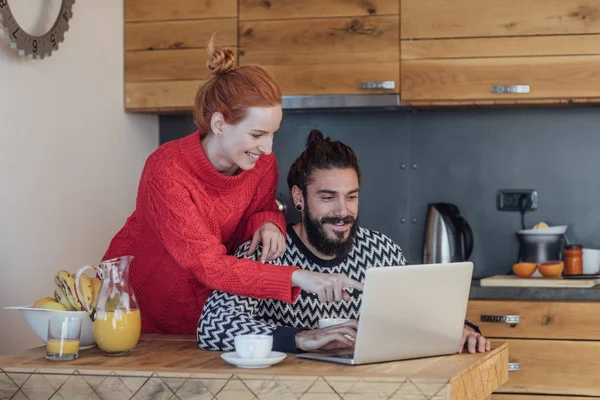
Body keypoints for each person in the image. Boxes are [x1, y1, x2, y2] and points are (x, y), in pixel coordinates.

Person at [103, 43, 362, 335]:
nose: (267, 148)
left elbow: (261, 207)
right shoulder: (167, 171)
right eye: (257, 134)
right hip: (138, 312)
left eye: (273, 134)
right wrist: (298, 277)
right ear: (219, 124)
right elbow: (208, 264)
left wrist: (266, 222)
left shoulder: (261, 163)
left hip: (206, 315)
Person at [197, 129, 491, 354]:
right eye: (327, 197)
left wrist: (461, 329)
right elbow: (212, 327)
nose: (342, 212)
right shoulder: (266, 251)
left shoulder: (381, 252)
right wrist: (302, 337)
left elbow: (418, 316)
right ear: (299, 197)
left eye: (351, 197)